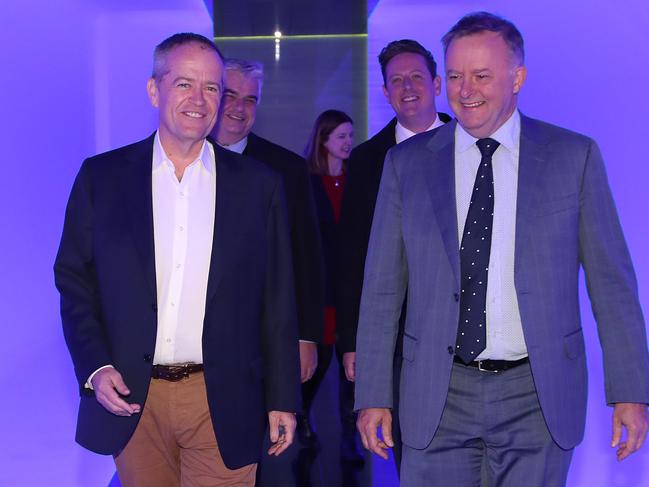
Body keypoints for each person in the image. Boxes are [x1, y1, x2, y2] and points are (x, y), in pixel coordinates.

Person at [355, 12, 649, 487]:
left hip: (537, 395)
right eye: (454, 76)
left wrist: (631, 391)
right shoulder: (405, 165)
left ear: (517, 78)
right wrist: (373, 393)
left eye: (481, 76)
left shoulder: (573, 158)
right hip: (436, 393)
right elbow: (382, 290)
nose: (465, 89)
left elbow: (612, 285)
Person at [54, 33, 300, 487]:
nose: (199, 99)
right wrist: (95, 364)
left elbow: (278, 299)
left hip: (223, 399)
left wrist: (282, 397)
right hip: (133, 400)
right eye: (184, 83)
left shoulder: (257, 186)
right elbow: (74, 281)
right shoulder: (101, 179)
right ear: (155, 90)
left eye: (211, 87)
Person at [337, 38, 451, 470]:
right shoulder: (367, 160)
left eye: (416, 77)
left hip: (469, 336)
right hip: (401, 340)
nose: (407, 88)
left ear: (436, 84)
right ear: (385, 93)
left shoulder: (476, 144)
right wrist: (352, 343)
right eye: (396, 80)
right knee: (413, 456)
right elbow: (352, 257)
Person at [211, 58, 324, 384]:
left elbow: (308, 259)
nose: (239, 107)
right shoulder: (183, 162)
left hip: (265, 342)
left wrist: (307, 337)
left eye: (250, 99)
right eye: (229, 95)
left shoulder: (287, 169)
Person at [299, 109, 364, 464]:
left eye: (350, 135)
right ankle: (303, 417)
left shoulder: (357, 178)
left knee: (352, 371)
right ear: (323, 140)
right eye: (341, 136)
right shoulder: (307, 182)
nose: (348, 142)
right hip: (322, 289)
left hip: (352, 290)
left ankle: (350, 434)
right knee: (318, 365)